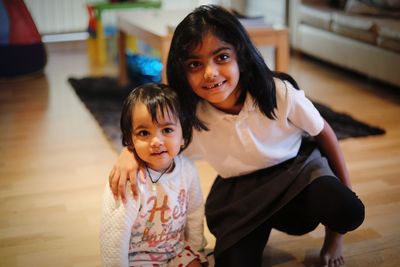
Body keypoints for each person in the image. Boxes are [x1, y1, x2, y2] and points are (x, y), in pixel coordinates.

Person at [108, 5, 365, 267]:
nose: (210, 73)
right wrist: (128, 151)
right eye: (195, 64)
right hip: (241, 192)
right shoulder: (188, 114)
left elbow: (324, 133)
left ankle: (330, 227)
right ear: (182, 72)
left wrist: (336, 236)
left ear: (239, 56)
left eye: (221, 57)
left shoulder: (278, 92)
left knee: (349, 210)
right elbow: (153, 130)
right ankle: (258, 228)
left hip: (298, 173)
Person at [100, 83, 207, 267]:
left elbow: (195, 210)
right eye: (144, 133)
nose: (156, 141)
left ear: (183, 136)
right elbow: (114, 237)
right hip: (138, 259)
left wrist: (195, 249)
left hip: (176, 250)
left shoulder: (187, 169)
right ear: (130, 140)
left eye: (167, 130)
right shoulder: (130, 180)